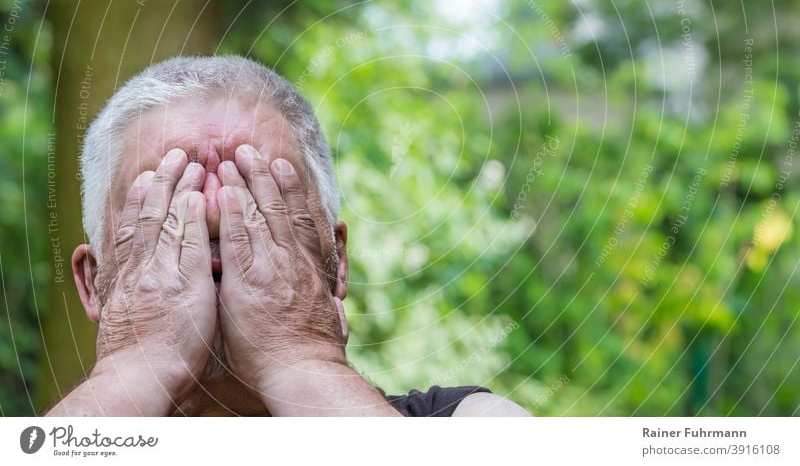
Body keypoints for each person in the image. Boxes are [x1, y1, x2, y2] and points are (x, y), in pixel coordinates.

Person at [47, 56, 531, 417]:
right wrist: (135, 365)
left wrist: (299, 358)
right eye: (168, 203)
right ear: (94, 283)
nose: (216, 220)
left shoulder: (471, 423)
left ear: (336, 262)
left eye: (259, 196)